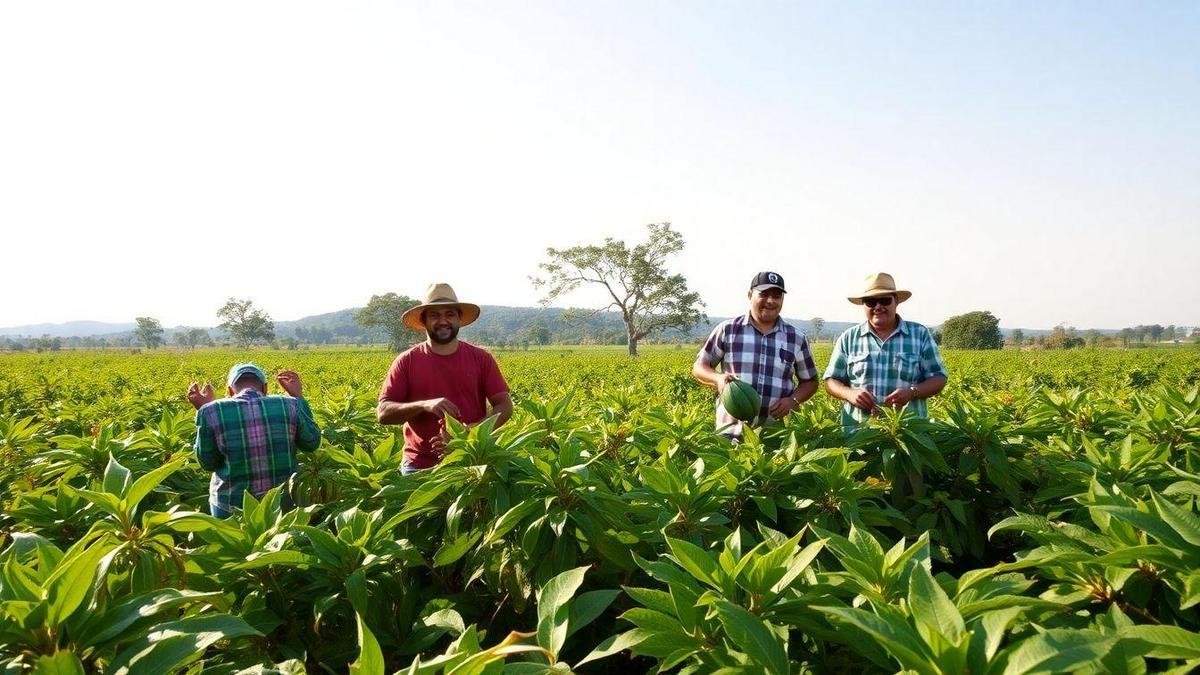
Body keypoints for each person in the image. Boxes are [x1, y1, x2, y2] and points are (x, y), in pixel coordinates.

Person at [377, 283, 513, 474]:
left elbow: (504, 406)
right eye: (435, 315)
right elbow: (383, 413)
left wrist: (468, 434)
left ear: (459, 319)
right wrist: (424, 405)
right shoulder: (406, 361)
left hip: (471, 462)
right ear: (424, 321)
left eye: (449, 314)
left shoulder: (481, 358)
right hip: (419, 465)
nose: (443, 321)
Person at [692, 271, 819, 440]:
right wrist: (718, 378)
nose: (771, 301)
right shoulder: (728, 330)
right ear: (750, 295)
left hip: (777, 435)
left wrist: (792, 400)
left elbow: (810, 381)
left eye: (777, 296)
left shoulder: (796, 337)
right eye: (764, 294)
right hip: (731, 433)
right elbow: (700, 367)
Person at [188, 363, 321, 518]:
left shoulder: (210, 411)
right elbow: (311, 443)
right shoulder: (290, 404)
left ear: (230, 391)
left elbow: (208, 463)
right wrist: (298, 397)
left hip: (231, 507)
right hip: (281, 504)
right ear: (265, 388)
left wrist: (205, 409)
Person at [824, 272, 948, 432]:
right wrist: (849, 393)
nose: (877, 307)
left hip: (908, 434)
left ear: (896, 301)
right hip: (858, 434)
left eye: (884, 300)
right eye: (870, 301)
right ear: (863, 305)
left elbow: (939, 377)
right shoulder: (849, 337)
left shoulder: (919, 334)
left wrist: (912, 392)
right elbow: (831, 380)